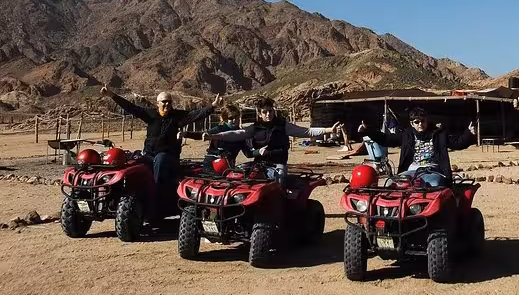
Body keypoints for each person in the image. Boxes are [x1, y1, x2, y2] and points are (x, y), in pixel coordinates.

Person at [101, 85, 221, 215]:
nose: (167, 104)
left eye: (169, 101)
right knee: (132, 164)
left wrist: (213, 106)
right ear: (158, 103)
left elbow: (196, 115)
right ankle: (128, 200)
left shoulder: (177, 116)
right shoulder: (150, 114)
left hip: (168, 156)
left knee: (160, 159)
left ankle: (156, 203)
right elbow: (131, 107)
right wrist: (111, 95)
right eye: (164, 101)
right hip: (149, 155)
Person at [201, 97, 342, 185]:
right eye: (264, 112)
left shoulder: (282, 125)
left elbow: (306, 131)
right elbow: (236, 133)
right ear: (259, 113)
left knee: (278, 180)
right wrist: (214, 136)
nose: (268, 114)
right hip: (258, 164)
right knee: (239, 178)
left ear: (273, 110)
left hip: (277, 164)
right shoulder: (254, 127)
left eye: (270, 111)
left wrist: (328, 130)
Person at [360, 107, 475, 187]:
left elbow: (457, 143)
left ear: (427, 120)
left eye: (423, 121)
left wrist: (469, 134)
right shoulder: (407, 135)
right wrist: (368, 131)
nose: (420, 124)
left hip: (433, 171)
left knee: (434, 185)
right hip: (410, 171)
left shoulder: (438, 134)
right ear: (412, 123)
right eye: (417, 121)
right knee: (391, 183)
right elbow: (386, 139)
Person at [204, 105, 242, 170]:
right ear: (226, 119)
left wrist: (260, 151)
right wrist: (186, 134)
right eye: (231, 118)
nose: (234, 120)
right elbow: (201, 135)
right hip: (212, 164)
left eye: (236, 117)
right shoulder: (219, 129)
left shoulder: (242, 133)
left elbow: (248, 153)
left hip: (229, 166)